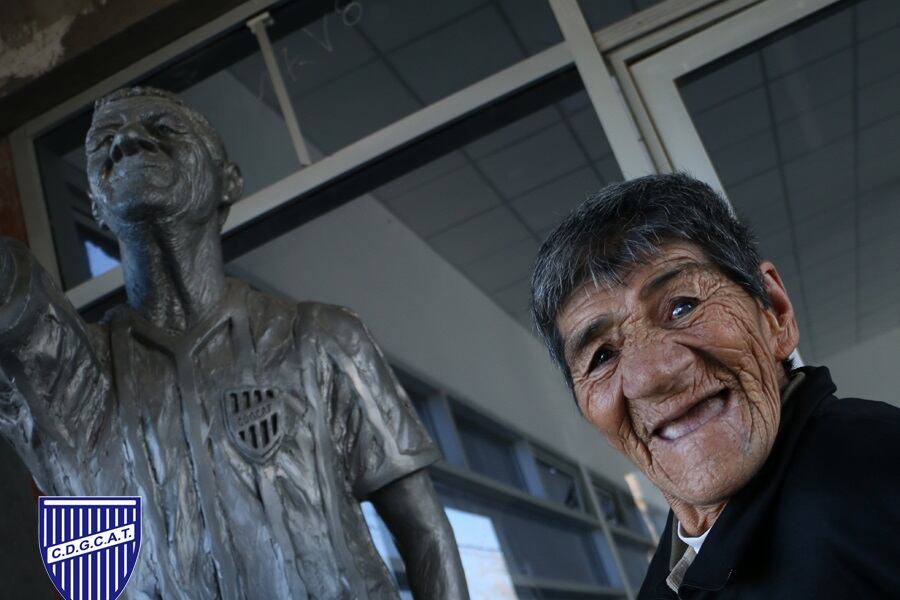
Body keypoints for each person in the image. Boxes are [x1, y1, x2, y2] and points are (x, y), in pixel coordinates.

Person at [0, 87, 469, 600]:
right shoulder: (83, 381)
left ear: (228, 180)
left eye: (162, 128)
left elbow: (426, 535)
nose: (127, 141)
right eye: (105, 141)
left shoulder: (320, 338)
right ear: (96, 204)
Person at [530, 173, 900, 599]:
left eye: (682, 306)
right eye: (602, 356)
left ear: (774, 311)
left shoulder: (882, 475)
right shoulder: (675, 571)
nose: (650, 375)